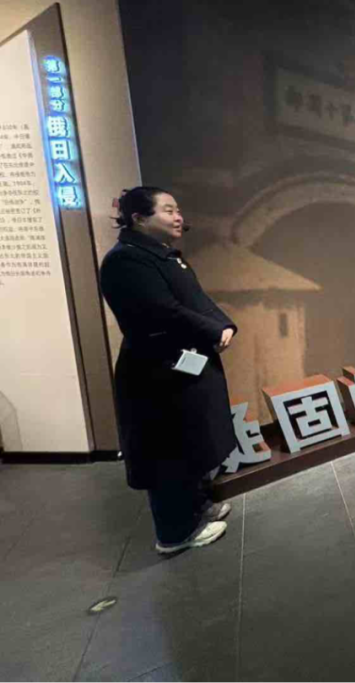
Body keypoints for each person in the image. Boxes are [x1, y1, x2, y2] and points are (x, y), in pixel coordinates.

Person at [100, 187, 238, 555]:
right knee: (166, 452)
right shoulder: (125, 261)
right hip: (155, 371)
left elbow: (197, 300)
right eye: (168, 210)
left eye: (178, 210)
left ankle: (196, 508)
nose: (178, 217)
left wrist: (224, 324)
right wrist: (212, 331)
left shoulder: (164, 255)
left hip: (182, 363)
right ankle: (175, 534)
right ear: (139, 218)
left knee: (191, 441)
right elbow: (163, 311)